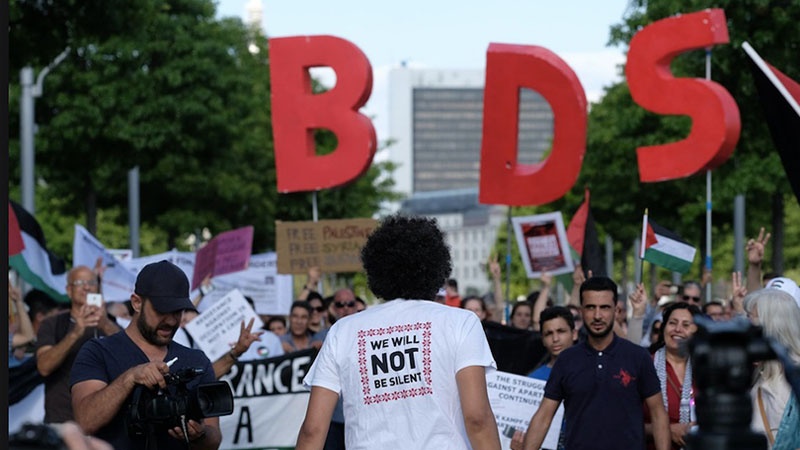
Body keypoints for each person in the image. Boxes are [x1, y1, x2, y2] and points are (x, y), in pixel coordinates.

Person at [296, 214, 500, 450]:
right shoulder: (461, 322)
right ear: (437, 267)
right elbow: (477, 419)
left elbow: (312, 430)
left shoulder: (343, 331)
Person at [70, 260, 222, 450]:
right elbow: (85, 421)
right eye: (161, 310)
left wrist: (199, 435)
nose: (171, 320)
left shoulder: (196, 361)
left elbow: (214, 439)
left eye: (178, 311)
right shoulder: (98, 352)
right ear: (137, 303)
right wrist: (130, 378)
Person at [520, 276, 671, 450]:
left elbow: (658, 414)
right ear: (582, 311)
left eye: (604, 308)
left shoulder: (638, 356)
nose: (597, 315)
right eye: (591, 308)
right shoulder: (567, 360)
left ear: (616, 311)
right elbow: (544, 416)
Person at [36, 266, 122, 424]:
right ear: (69, 290)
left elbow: (128, 352)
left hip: (104, 418)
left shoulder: (109, 322)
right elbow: (44, 367)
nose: (87, 287)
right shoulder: (52, 323)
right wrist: (76, 332)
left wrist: (105, 324)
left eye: (91, 282)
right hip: (63, 419)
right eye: (80, 282)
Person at [511, 307, 576, 450]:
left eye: (561, 331)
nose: (555, 339)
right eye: (549, 333)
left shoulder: (591, 371)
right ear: (543, 340)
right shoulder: (532, 379)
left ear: (574, 333)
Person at [744, 288, 800, 450]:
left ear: (771, 327)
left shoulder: (794, 378)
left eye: (751, 320)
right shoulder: (760, 371)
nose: (745, 330)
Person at [644, 302, 701, 450]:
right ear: (664, 328)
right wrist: (668, 430)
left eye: (686, 325)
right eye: (672, 323)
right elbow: (626, 421)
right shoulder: (644, 365)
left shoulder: (705, 368)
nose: (678, 329)